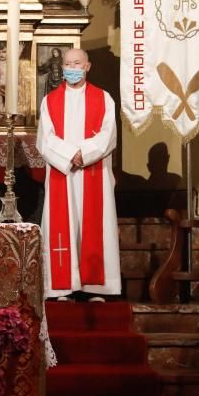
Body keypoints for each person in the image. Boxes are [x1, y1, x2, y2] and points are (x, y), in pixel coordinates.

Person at [36, 48, 120, 300]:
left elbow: (109, 134)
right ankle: (64, 285)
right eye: (67, 64)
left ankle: (96, 286)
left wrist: (85, 152)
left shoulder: (103, 98)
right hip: (64, 171)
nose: (71, 68)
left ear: (87, 66)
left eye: (77, 64)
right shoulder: (50, 100)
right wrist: (70, 155)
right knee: (65, 224)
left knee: (94, 223)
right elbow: (45, 138)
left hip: (93, 170)